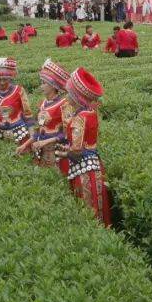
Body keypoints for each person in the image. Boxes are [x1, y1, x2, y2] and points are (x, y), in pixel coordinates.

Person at [60, 67, 111, 226]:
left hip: (84, 170)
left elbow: (76, 150)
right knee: (98, 208)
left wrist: (61, 152)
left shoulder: (80, 118)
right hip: (94, 164)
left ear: (76, 96)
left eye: (69, 93)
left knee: (89, 209)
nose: (67, 96)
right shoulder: (91, 113)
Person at [17, 59, 71, 174]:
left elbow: (67, 133)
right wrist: (25, 145)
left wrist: (45, 142)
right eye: (41, 82)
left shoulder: (64, 104)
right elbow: (40, 130)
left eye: (44, 83)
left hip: (57, 152)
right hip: (41, 151)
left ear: (53, 85)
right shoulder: (43, 104)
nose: (41, 86)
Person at [0, 58, 32, 144]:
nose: (2, 82)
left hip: (20, 132)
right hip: (0, 133)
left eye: (5, 79)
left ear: (10, 78)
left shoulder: (19, 90)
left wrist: (32, 135)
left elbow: (28, 114)